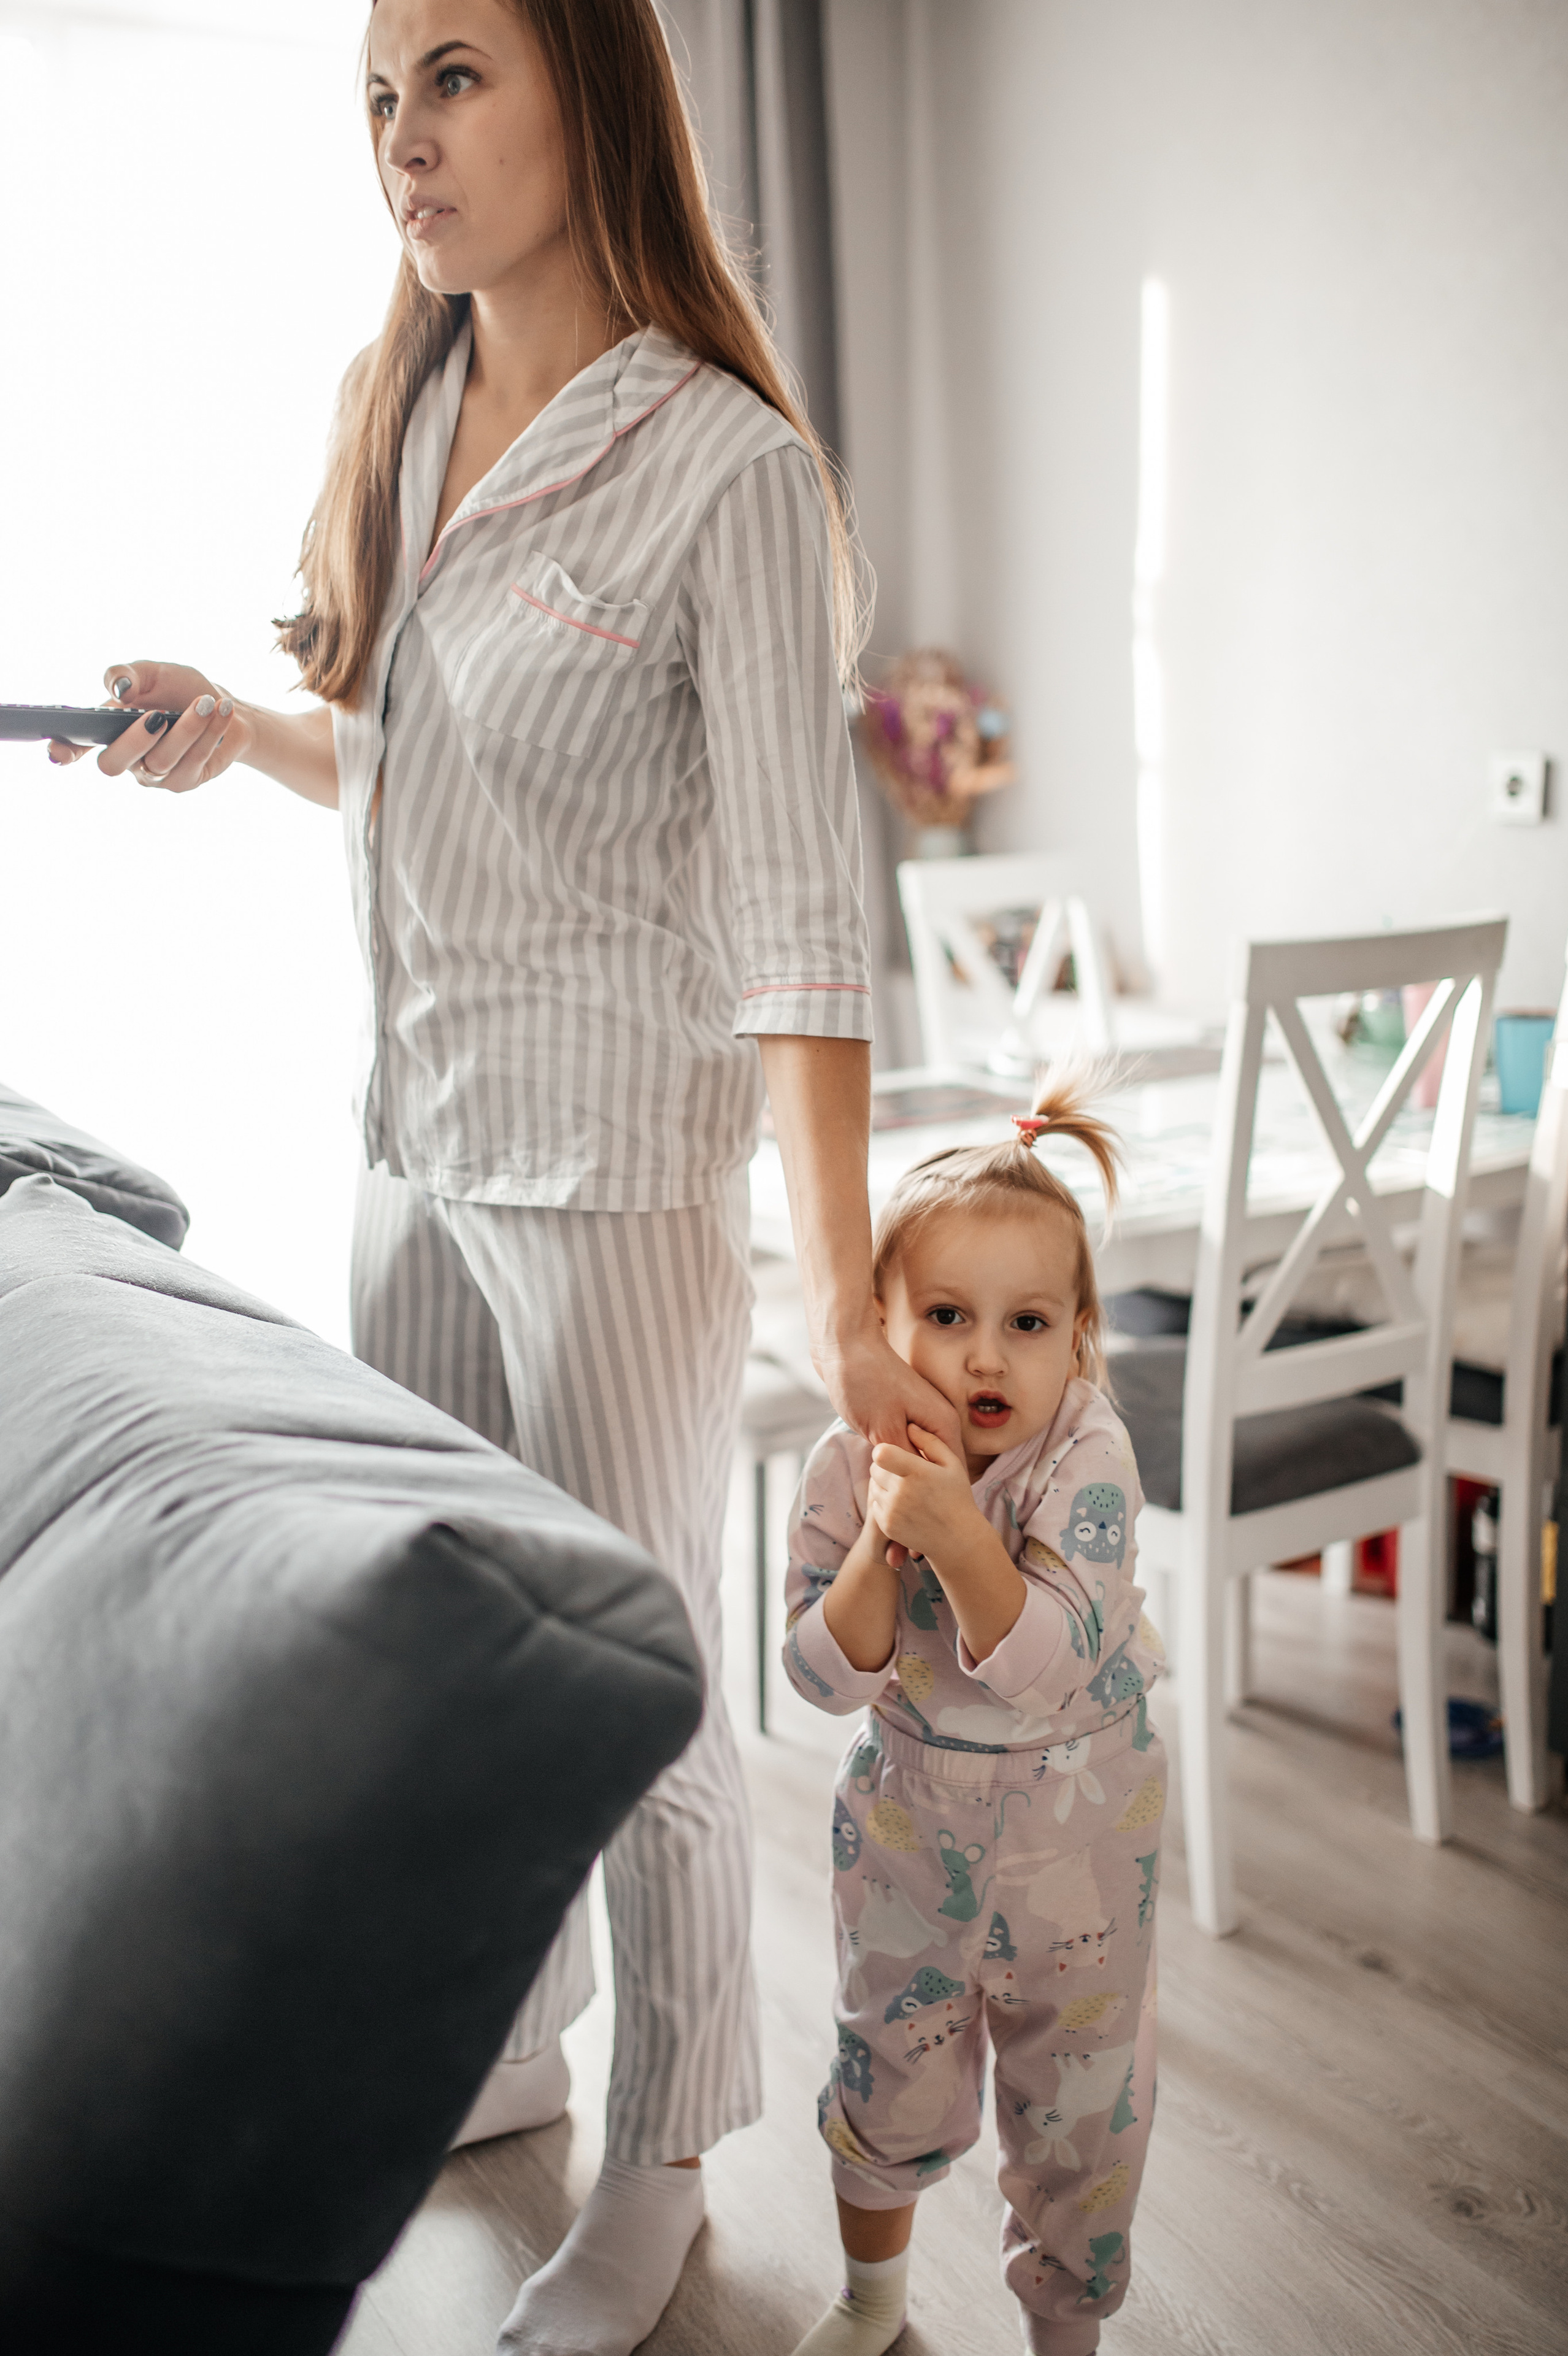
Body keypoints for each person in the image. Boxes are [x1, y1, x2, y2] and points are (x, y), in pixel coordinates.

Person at [48, 4, 963, 2350]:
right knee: (472, 1634)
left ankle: (663, 2157)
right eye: (376, 98)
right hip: (416, 1143)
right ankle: (521, 2045)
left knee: (641, 1678)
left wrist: (850, 1287)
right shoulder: (425, 407)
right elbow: (444, 788)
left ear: (591, 88)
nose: (402, 142)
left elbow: (790, 913)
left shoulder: (726, 473)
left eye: (451, 75)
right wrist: (249, 733)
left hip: (614, 1176)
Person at [780, 1072, 1167, 2356]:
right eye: (944, 1317)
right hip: (906, 1826)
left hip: (1081, 1846)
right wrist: (881, 1547)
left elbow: (1044, 1657)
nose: (985, 1356)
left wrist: (952, 1531)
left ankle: (1064, 2339)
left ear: (1078, 1338)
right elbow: (817, 1676)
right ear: (879, 1324)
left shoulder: (1086, 1457)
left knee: (1081, 2111)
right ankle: (867, 2305)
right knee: (880, 2069)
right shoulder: (852, 1459)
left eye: (1025, 1322)